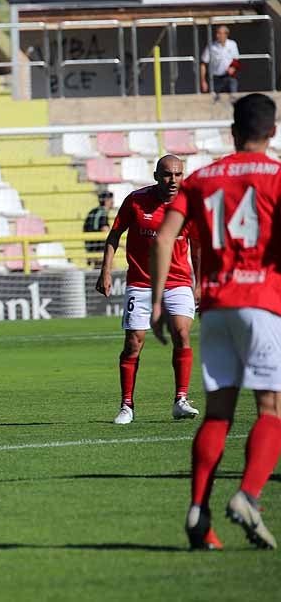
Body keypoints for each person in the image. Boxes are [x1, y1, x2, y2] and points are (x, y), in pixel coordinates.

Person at [150, 93, 281, 551]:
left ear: (232, 130)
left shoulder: (202, 179)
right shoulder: (278, 177)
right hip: (263, 303)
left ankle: (198, 513)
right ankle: (247, 495)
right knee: (269, 409)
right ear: (273, 130)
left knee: (218, 413)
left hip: (216, 304)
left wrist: (156, 302)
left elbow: (165, 237)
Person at [96, 155, 200, 425]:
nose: (173, 180)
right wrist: (105, 271)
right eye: (167, 174)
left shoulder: (189, 205)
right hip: (141, 283)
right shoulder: (136, 200)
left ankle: (181, 399)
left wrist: (200, 282)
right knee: (133, 343)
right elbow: (114, 235)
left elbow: (198, 248)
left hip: (177, 281)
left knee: (181, 332)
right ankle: (127, 405)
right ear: (156, 176)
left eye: (178, 174)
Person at [200, 25, 240, 101]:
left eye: (220, 33)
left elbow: (236, 60)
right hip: (216, 78)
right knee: (215, 100)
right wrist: (203, 81)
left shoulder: (232, 44)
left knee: (233, 98)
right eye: (217, 33)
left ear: (226, 34)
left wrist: (233, 67)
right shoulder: (211, 46)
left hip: (229, 77)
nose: (218, 35)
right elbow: (203, 63)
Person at [83, 191, 113, 266]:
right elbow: (105, 232)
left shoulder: (92, 212)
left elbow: (85, 229)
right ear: (107, 201)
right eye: (111, 200)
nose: (113, 202)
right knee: (110, 269)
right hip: (100, 249)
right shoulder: (103, 213)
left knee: (98, 271)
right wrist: (121, 245)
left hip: (91, 248)